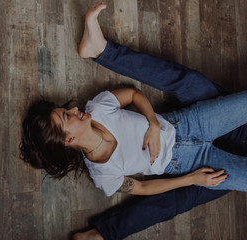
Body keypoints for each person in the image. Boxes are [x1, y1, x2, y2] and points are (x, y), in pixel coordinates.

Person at [20, 2, 247, 239]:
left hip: (189, 122)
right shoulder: (103, 175)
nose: (75, 108)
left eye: (66, 110)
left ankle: (101, 49)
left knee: (197, 85)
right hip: (188, 163)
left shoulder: (97, 109)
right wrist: (192, 178)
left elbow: (132, 94)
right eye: (67, 116)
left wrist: (154, 122)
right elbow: (143, 188)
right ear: (68, 140)